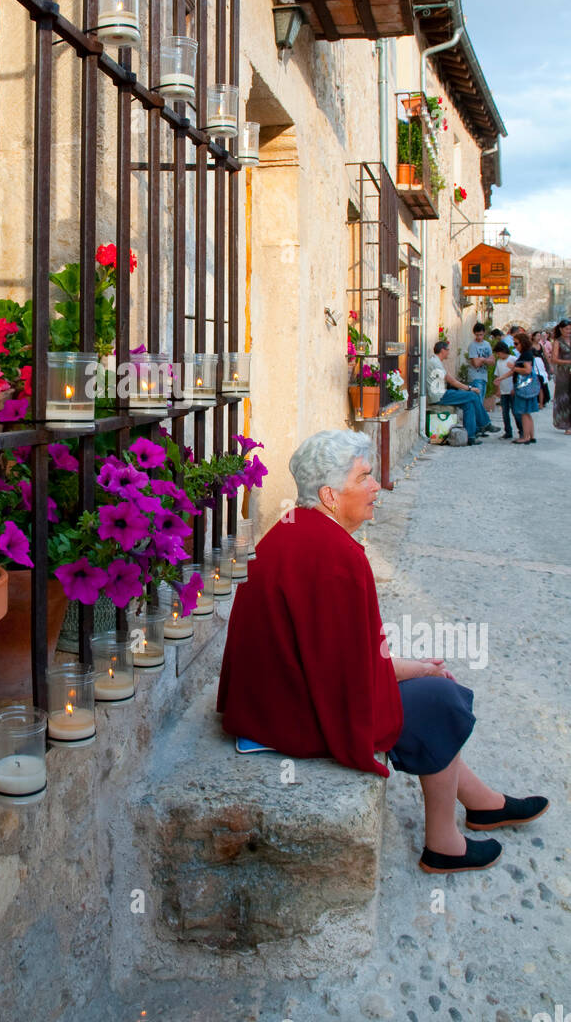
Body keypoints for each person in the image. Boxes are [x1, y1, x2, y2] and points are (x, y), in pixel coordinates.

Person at [216, 430, 548, 872]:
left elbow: (343, 657)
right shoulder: (335, 556)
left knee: (427, 693)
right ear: (331, 495)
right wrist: (421, 671)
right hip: (291, 714)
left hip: (272, 700)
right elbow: (353, 676)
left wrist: (414, 669)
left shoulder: (293, 529)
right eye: (365, 477)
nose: (376, 486)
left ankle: (482, 803)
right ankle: (444, 846)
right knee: (441, 701)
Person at [426, 340, 500, 445]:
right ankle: (485, 424)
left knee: (468, 404)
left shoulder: (435, 361)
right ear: (442, 350)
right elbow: (451, 380)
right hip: (439, 396)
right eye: (448, 350)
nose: (449, 352)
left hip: (442, 393)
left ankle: (470, 436)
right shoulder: (435, 362)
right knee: (472, 396)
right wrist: (469, 388)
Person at [508, 332, 540, 444]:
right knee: (527, 413)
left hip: (523, 387)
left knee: (524, 412)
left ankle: (525, 437)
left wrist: (514, 368)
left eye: (516, 343)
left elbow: (527, 370)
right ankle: (531, 436)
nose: (515, 346)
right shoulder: (528, 353)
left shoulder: (526, 355)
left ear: (522, 343)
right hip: (527, 387)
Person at [493, 341, 521, 440]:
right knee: (505, 413)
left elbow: (517, 374)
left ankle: (521, 431)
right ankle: (508, 431)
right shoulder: (499, 362)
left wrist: (515, 387)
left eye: (499, 353)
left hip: (512, 390)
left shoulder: (513, 359)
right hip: (504, 391)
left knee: (516, 412)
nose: (498, 355)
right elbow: (497, 375)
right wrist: (498, 389)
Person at [551, 318, 571, 433]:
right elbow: (554, 359)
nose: (569, 331)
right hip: (563, 373)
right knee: (564, 398)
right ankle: (566, 425)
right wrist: (568, 362)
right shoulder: (558, 342)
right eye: (567, 329)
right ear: (561, 329)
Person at [466, 322, 494, 400]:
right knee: (478, 401)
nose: (479, 337)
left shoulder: (487, 344)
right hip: (475, 376)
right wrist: (485, 360)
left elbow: (492, 361)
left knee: (481, 400)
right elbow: (476, 364)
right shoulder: (473, 345)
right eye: (477, 335)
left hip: (484, 376)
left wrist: (482, 359)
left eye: (481, 335)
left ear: (484, 333)